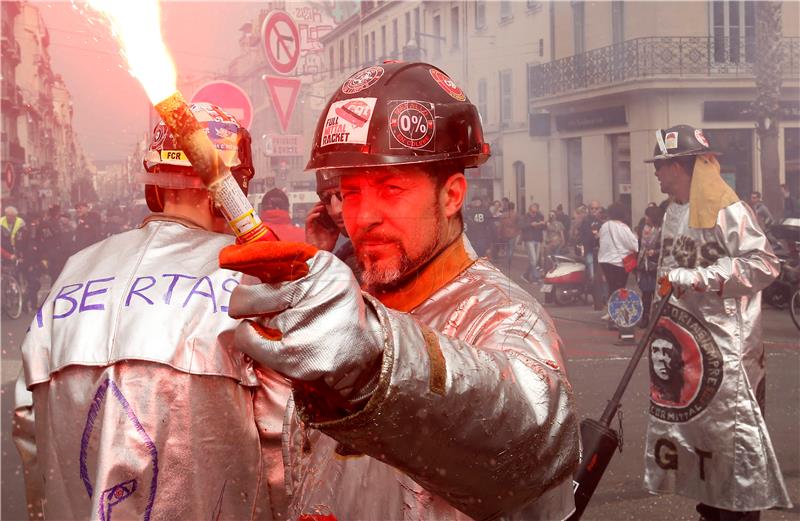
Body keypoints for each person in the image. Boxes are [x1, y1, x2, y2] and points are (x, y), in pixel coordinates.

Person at [221, 62, 579, 520]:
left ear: (452, 195)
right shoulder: (351, 305)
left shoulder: (504, 315)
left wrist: (377, 360)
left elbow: (535, 435)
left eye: (390, 188)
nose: (363, 217)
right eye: (351, 192)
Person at [12, 103, 291, 520]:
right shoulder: (247, 282)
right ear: (232, 193)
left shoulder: (76, 271)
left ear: (154, 186)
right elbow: (284, 445)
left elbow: (31, 430)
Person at [644, 124, 791, 520]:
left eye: (661, 165)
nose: (656, 172)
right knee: (701, 441)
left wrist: (699, 279)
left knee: (733, 447)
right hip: (688, 352)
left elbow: (763, 264)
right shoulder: (674, 212)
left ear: (681, 165)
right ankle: (711, 508)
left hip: (729, 358)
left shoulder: (729, 209)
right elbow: (670, 271)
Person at [305, 170, 356, 269]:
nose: (336, 210)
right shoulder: (346, 256)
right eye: (326, 198)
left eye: (342, 195)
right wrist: (317, 253)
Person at [597, 202, 638, 301]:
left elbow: (601, 241)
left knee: (611, 287)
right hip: (619, 262)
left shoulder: (605, 226)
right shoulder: (623, 227)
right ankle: (617, 311)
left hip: (605, 260)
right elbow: (633, 245)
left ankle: (610, 310)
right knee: (620, 288)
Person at [637, 204, 665, 328]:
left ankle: (656, 319)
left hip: (655, 264)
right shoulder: (645, 229)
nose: (646, 218)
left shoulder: (662, 230)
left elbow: (665, 248)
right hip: (644, 264)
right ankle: (645, 317)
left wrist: (655, 252)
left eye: (647, 216)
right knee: (646, 294)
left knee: (657, 294)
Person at [521, 203, 545, 283]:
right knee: (534, 260)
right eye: (533, 207)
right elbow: (522, 226)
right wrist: (531, 225)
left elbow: (543, 227)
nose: (535, 209)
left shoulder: (540, 216)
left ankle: (526, 275)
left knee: (534, 260)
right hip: (529, 239)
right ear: (530, 208)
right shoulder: (526, 216)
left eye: (536, 207)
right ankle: (536, 277)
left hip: (537, 239)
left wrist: (542, 224)